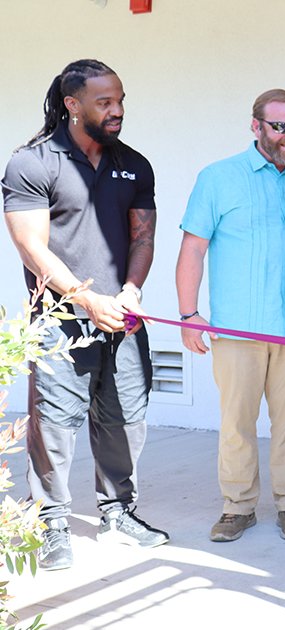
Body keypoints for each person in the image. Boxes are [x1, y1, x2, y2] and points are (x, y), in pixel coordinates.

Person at [2, 59, 169, 570]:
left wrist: (132, 290)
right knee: (54, 423)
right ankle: (50, 521)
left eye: (120, 100)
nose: (116, 110)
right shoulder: (32, 163)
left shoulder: (134, 164)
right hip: (58, 320)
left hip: (121, 314)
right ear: (72, 105)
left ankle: (117, 513)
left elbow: (143, 238)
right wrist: (85, 298)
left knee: (126, 418)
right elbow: (31, 247)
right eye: (104, 102)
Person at [176, 89, 285, 542]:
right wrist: (188, 313)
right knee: (237, 422)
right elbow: (193, 249)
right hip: (236, 329)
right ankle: (237, 507)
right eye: (281, 126)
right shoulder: (219, 177)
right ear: (256, 126)